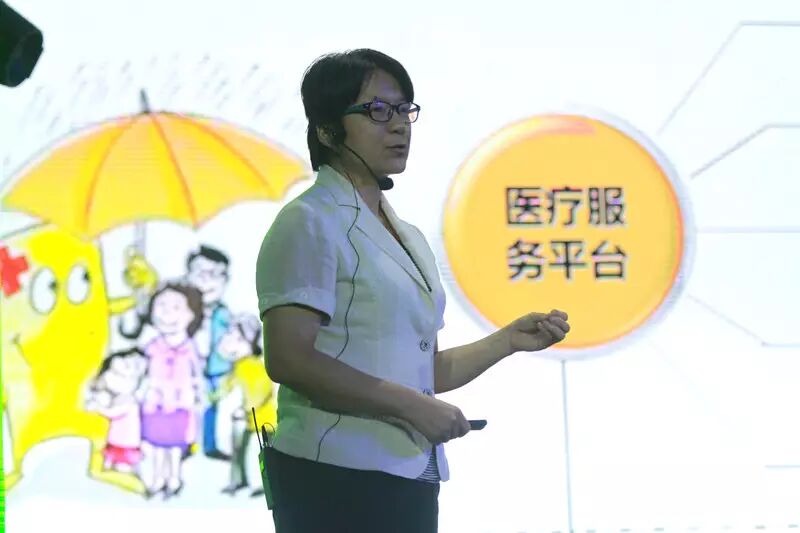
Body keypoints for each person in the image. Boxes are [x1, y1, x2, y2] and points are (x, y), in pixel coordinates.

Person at [255, 48, 570, 533]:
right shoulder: (309, 221)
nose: (399, 125)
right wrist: (412, 406)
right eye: (377, 111)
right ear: (327, 130)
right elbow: (289, 359)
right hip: (335, 475)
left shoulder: (408, 235)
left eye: (404, 110)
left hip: (408, 474)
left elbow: (423, 372)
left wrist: (507, 340)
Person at [213, 313, 277, 497]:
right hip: (247, 421)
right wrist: (215, 396)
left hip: (263, 420)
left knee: (255, 453)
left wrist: (246, 408)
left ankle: (260, 485)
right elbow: (229, 384)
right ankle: (239, 480)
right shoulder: (240, 366)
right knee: (239, 451)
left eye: (238, 338)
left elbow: (261, 391)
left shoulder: (255, 366)